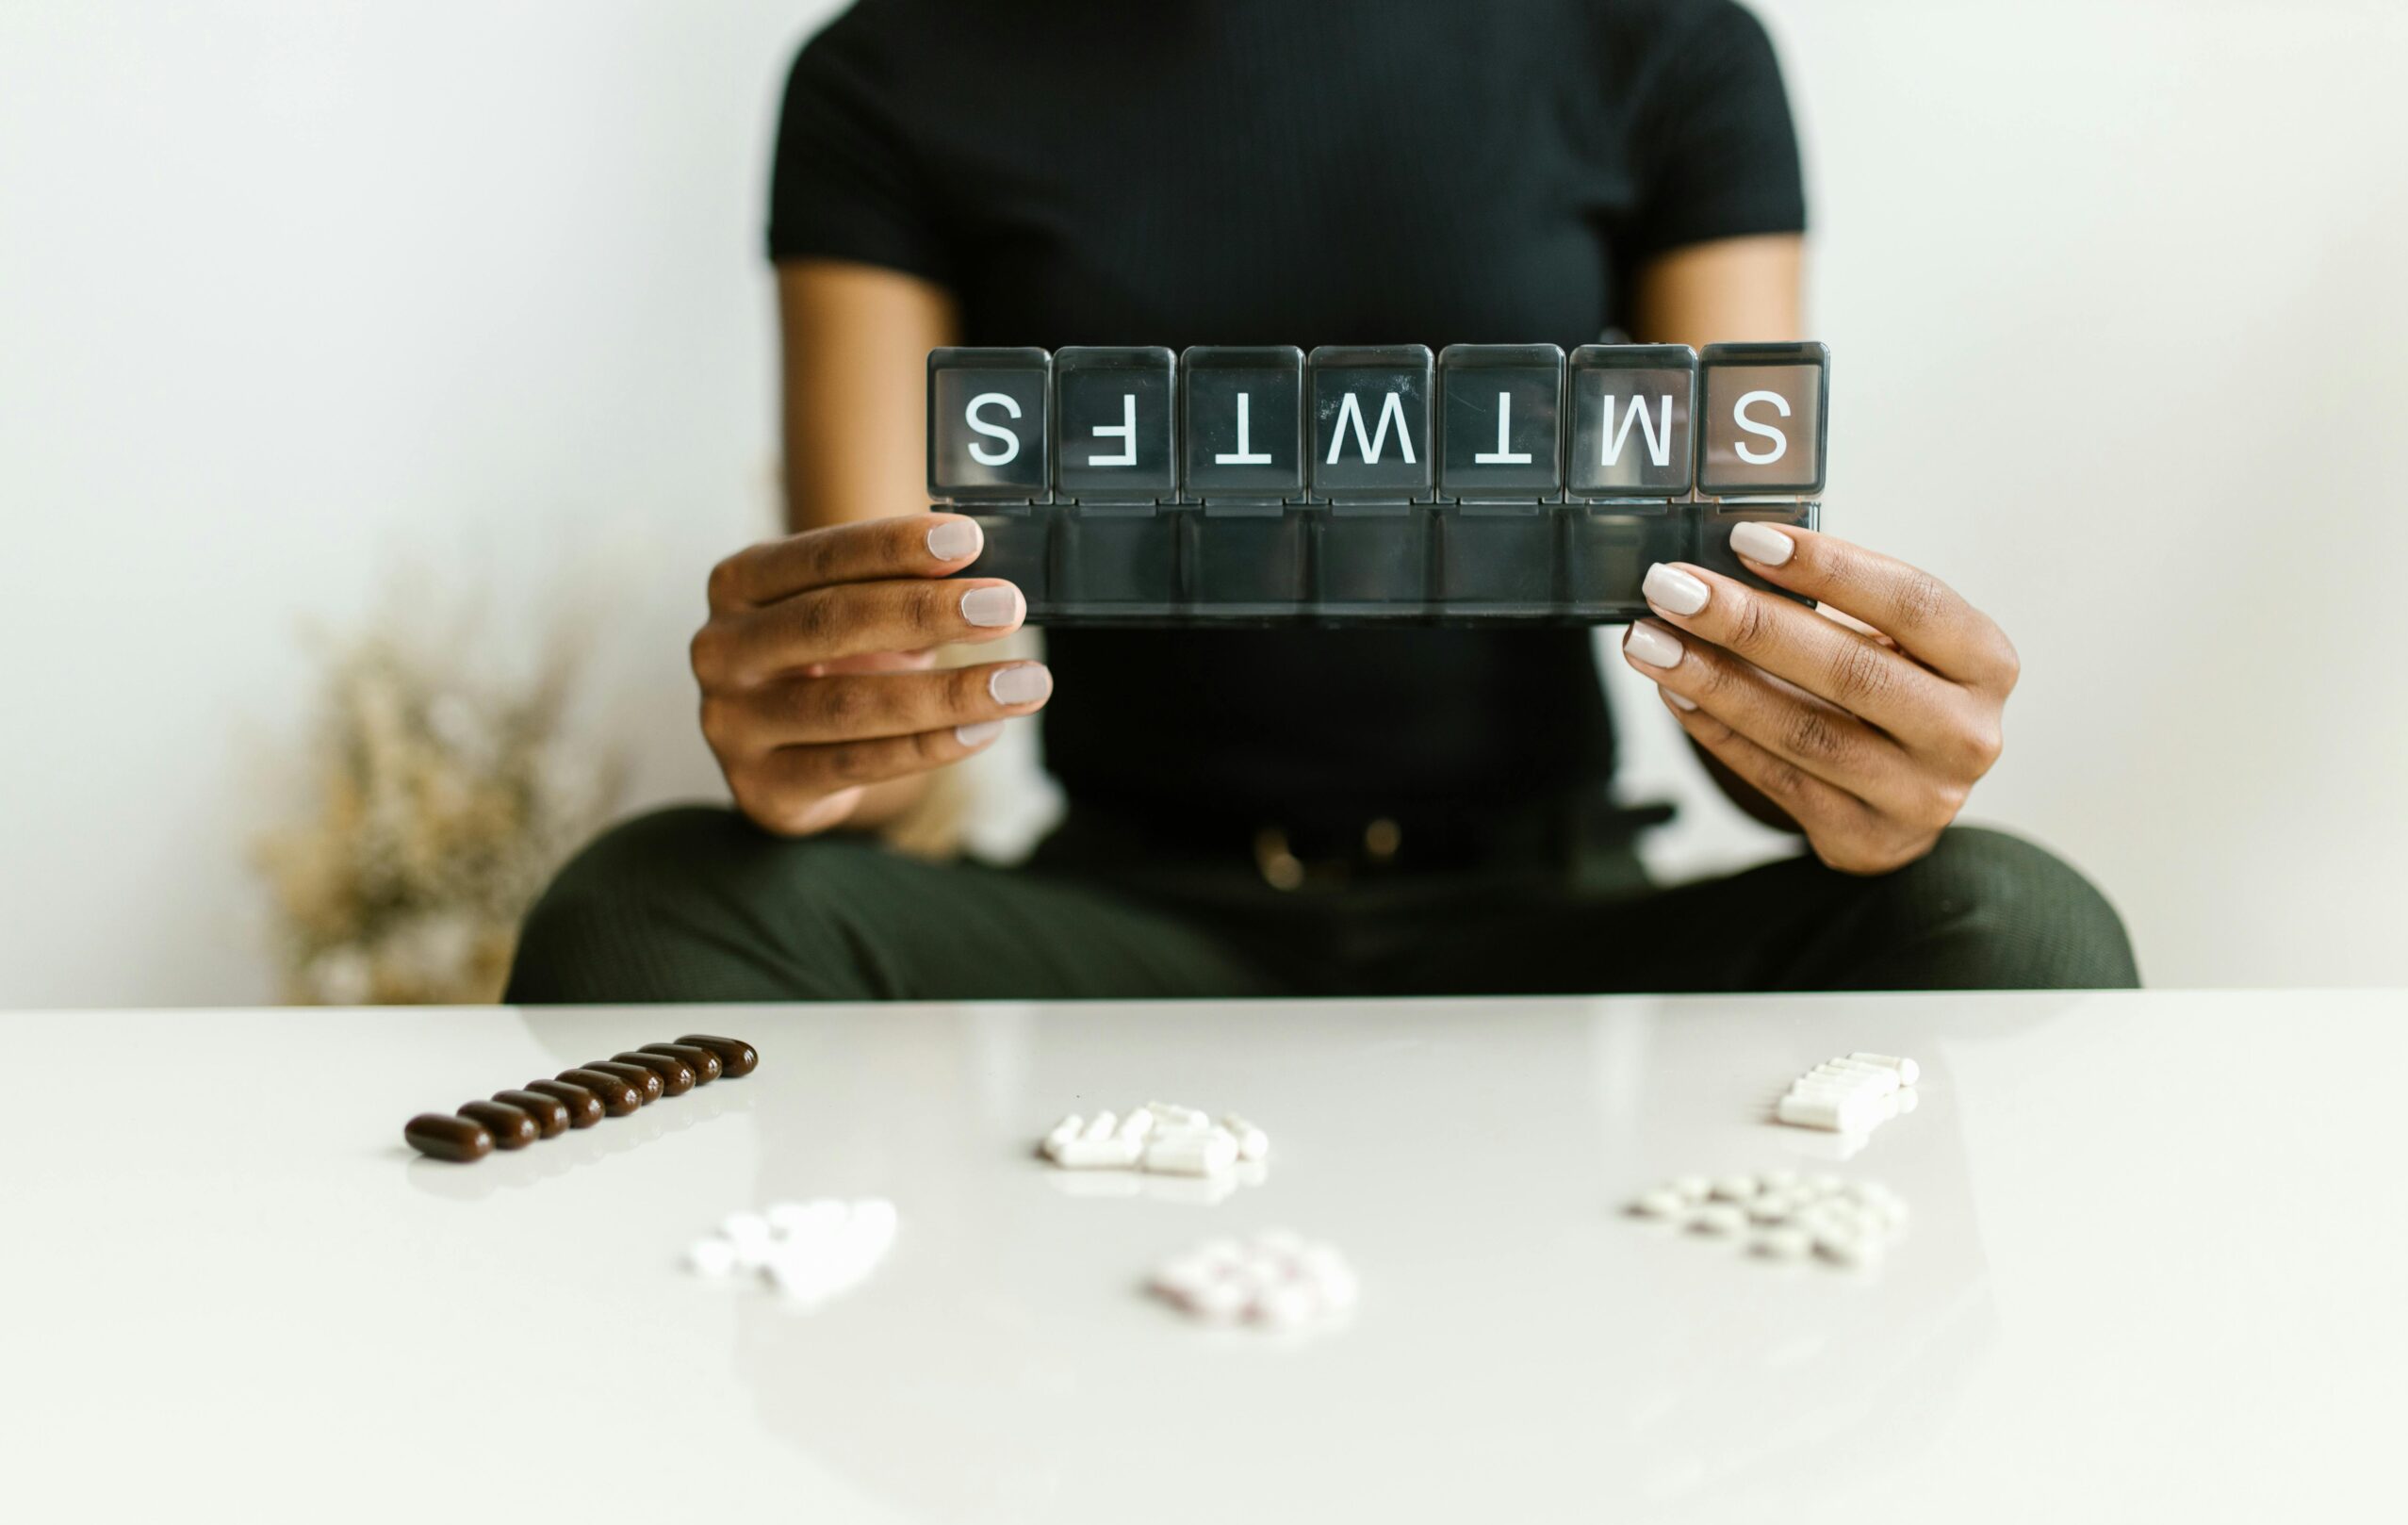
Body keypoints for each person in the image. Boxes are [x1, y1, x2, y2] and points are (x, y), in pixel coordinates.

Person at [506, 0, 2137, 1004]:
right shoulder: (892, 73)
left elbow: (1735, 615)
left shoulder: (1669, 45)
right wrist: (802, 732)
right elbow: (880, 720)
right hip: (1124, 921)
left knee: (2013, 917)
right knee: (646, 913)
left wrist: (1858, 759)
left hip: (1547, 909)